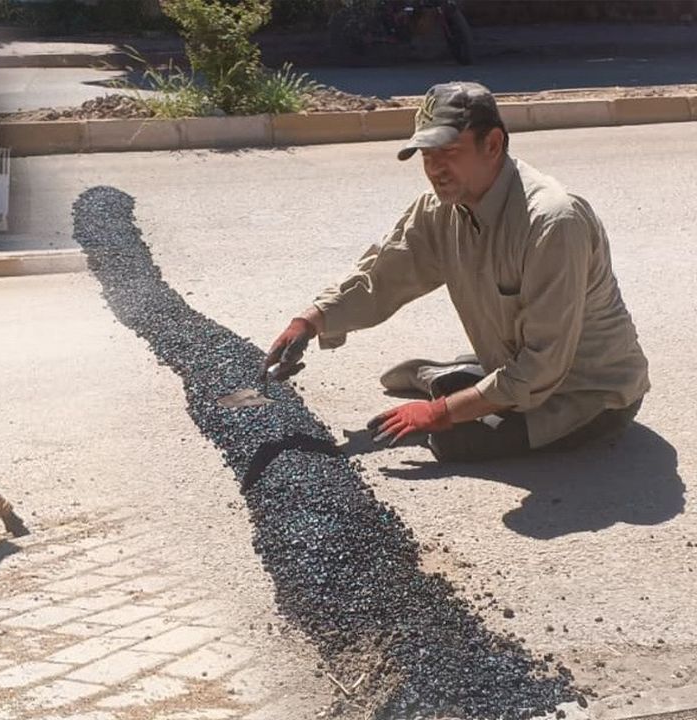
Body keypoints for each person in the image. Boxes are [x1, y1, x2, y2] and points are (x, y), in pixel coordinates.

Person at [261, 81, 649, 462]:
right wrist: (312, 320)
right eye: (427, 155)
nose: (435, 169)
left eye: (448, 151)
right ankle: (465, 378)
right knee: (457, 407)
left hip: (587, 391)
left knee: (455, 442)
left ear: (492, 144)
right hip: (524, 367)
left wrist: (438, 414)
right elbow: (382, 276)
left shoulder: (552, 222)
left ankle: (460, 382)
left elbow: (544, 364)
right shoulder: (441, 209)